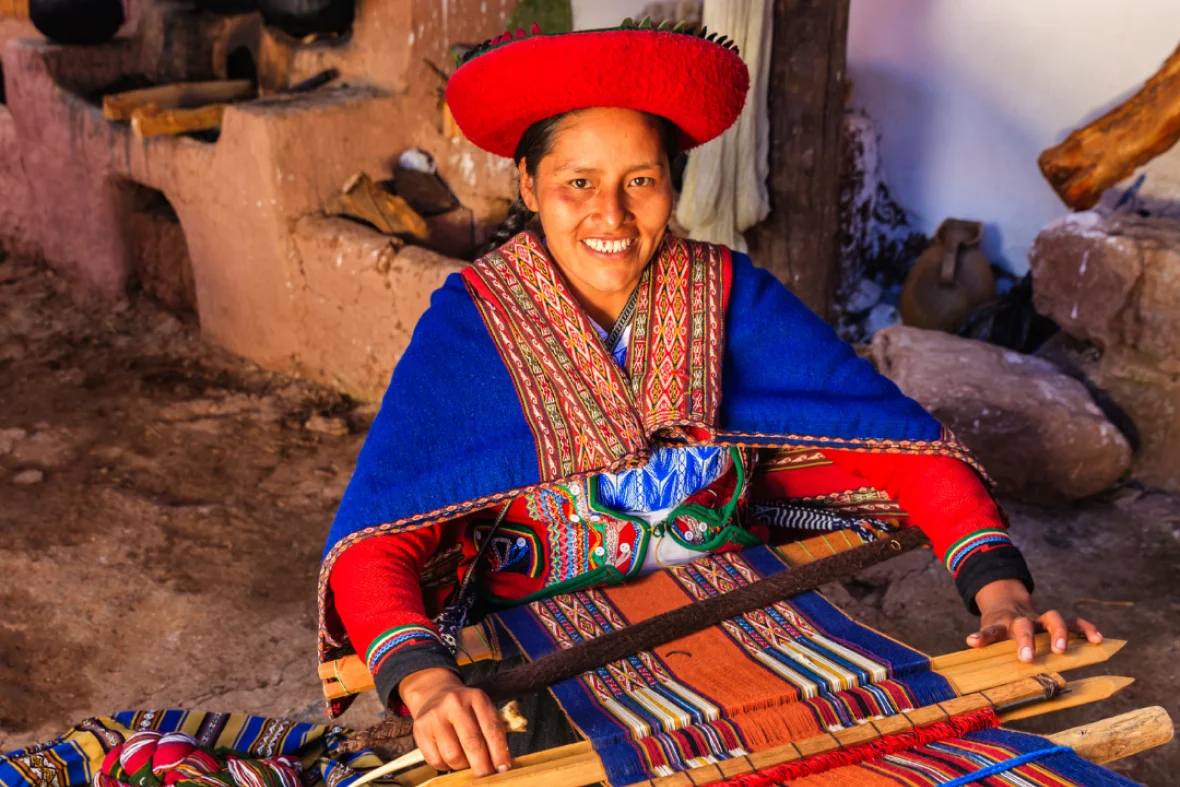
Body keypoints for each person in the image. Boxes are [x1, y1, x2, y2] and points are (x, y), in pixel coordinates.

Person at [318, 18, 1102, 780]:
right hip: (553, 649)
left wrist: (1001, 594)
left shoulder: (728, 296)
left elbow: (899, 446)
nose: (611, 217)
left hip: (748, 619)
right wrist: (426, 682)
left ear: (673, 183)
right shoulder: (473, 321)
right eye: (577, 183)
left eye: (641, 182)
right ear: (529, 183)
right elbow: (378, 536)